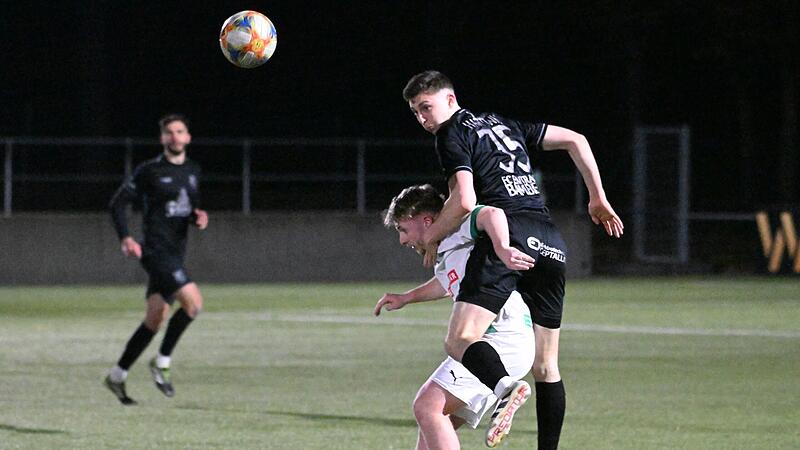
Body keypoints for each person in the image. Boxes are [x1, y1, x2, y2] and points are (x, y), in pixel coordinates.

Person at [402, 70, 624, 449]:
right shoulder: (506, 125)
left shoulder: (452, 132)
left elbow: (467, 201)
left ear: (451, 101)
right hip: (550, 239)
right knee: (547, 366)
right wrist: (597, 197)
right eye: (416, 112)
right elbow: (576, 140)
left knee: (459, 339)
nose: (424, 118)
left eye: (427, 107)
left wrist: (433, 238)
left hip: (507, 230)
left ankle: (504, 388)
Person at [374, 184, 536, 449]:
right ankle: (505, 387)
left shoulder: (457, 228)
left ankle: (506, 387)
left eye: (403, 229)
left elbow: (490, 213)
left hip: (496, 337)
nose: (402, 240)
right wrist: (406, 297)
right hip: (503, 338)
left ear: (426, 220)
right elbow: (444, 283)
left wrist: (503, 247)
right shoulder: (447, 249)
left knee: (427, 406)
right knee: (436, 422)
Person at [104, 113, 208, 405]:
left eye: (180, 131)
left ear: (188, 137)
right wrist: (126, 237)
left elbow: (189, 208)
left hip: (176, 252)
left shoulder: (193, 170)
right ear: (162, 139)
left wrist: (198, 218)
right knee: (193, 303)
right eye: (169, 133)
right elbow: (117, 204)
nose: (175, 137)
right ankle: (162, 362)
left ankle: (117, 375)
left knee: (155, 319)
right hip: (155, 252)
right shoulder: (149, 171)